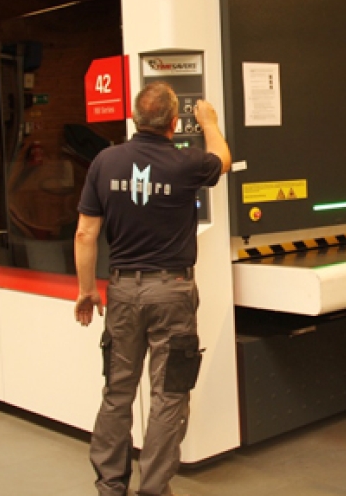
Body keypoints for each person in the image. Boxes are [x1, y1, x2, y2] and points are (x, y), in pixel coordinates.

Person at [74, 81, 231, 496]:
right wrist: (209, 122)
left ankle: (110, 486)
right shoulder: (186, 163)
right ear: (173, 122)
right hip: (172, 293)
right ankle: (154, 489)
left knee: (117, 392)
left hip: (123, 293)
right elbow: (223, 159)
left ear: (134, 118)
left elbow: (85, 233)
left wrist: (87, 290)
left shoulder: (104, 162)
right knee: (169, 394)